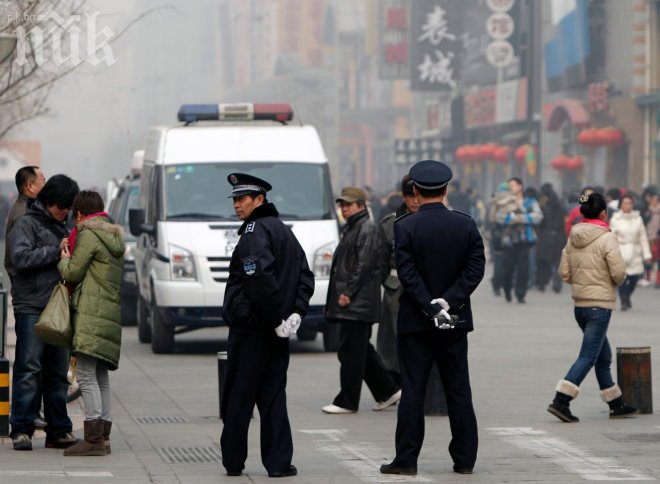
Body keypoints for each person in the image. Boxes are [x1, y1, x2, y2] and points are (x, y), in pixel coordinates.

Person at [381, 160, 485, 476]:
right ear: (445, 189)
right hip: (455, 321)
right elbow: (475, 270)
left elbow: (408, 275)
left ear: (415, 190)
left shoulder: (405, 226)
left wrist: (430, 304)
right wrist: (449, 302)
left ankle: (407, 459)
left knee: (413, 390)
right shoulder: (465, 224)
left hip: (416, 321)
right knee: (459, 389)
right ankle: (464, 459)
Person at [220, 173, 314, 478]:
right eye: (234, 199)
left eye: (242, 199)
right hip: (278, 331)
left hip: (253, 331)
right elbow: (305, 274)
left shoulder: (253, 232)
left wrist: (277, 318)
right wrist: (296, 313)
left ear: (259, 200)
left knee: (239, 399)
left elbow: (259, 278)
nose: (237, 205)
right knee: (274, 398)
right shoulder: (284, 230)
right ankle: (278, 463)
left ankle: (234, 461)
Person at [548, 193, 637, 423]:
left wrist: (582, 284)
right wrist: (608, 283)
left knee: (602, 355)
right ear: (603, 213)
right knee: (588, 355)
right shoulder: (607, 238)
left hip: (580, 306)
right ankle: (561, 400)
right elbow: (618, 273)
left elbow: (564, 273)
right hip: (600, 306)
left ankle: (615, 402)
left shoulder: (573, 237)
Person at [8, 174, 80, 451]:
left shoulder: (70, 225)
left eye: (68, 208)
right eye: (60, 207)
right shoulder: (26, 223)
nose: (64, 212)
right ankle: (22, 429)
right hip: (32, 307)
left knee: (58, 372)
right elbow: (21, 258)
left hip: (60, 306)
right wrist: (55, 251)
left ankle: (59, 429)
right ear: (48, 201)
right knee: (29, 368)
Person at [55, 191, 124, 456]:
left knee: (84, 373)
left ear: (80, 215)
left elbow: (73, 271)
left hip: (90, 312)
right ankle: (103, 437)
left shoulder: (87, 234)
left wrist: (64, 257)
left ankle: (93, 439)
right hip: (108, 312)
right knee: (99, 375)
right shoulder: (113, 236)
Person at [323, 187, 400, 414]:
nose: (344, 208)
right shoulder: (355, 227)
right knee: (358, 350)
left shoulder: (366, 228)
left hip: (357, 302)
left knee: (351, 353)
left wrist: (347, 292)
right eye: (342, 205)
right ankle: (388, 391)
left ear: (360, 205)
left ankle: (347, 401)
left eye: (348, 204)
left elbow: (362, 265)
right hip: (356, 301)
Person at [377, 175, 420, 383]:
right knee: (393, 337)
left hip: (425, 288)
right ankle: (396, 380)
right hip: (397, 289)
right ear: (404, 196)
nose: (415, 201)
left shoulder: (434, 221)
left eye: (418, 195)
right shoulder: (389, 224)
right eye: (410, 196)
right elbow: (380, 259)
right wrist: (389, 281)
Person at [496, 177, 543, 303]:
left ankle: (520, 294)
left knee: (523, 268)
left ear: (520, 186)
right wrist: (512, 219)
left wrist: (520, 218)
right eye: (509, 185)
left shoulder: (530, 202)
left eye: (513, 185)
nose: (511, 187)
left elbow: (538, 216)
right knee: (508, 268)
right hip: (509, 240)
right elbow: (499, 217)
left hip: (525, 240)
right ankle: (507, 289)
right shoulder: (504, 201)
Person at [4, 165, 47, 284]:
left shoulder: (30, 208)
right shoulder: (22, 214)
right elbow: (23, 259)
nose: (46, 186)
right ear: (30, 186)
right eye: (43, 181)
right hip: (29, 291)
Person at [610, 195, 652, 311]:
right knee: (622, 278)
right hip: (620, 250)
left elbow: (643, 236)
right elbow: (611, 237)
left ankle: (627, 295)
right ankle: (623, 300)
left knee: (634, 278)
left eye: (630, 203)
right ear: (621, 205)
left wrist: (647, 254)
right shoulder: (615, 219)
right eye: (625, 203)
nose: (628, 205)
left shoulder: (637, 218)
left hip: (635, 251)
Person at [536, 183, 566, 293]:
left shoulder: (543, 207)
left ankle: (542, 283)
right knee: (557, 261)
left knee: (543, 261)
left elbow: (539, 223)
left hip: (545, 236)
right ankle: (557, 284)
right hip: (559, 235)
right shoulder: (561, 206)